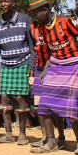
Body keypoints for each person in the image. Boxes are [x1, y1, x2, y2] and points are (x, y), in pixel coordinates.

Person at [27, 0, 78, 155]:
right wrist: (47, 69)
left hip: (73, 65)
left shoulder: (65, 21)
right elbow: (51, 51)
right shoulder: (42, 28)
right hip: (55, 66)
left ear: (46, 9)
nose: (35, 16)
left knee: (70, 106)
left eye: (37, 12)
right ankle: (52, 141)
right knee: (46, 105)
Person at [0, 0, 35, 145]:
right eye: (1, 2)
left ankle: (22, 134)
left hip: (22, 63)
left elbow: (31, 44)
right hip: (5, 66)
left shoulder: (24, 19)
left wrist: (31, 64)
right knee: (4, 99)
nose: (3, 4)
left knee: (20, 98)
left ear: (13, 3)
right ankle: (8, 134)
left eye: (6, 1)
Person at [29, 18, 50, 147]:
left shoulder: (52, 26)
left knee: (54, 105)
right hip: (39, 68)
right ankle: (45, 137)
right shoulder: (32, 28)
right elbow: (31, 49)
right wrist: (32, 67)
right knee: (39, 105)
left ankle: (61, 137)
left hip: (55, 67)